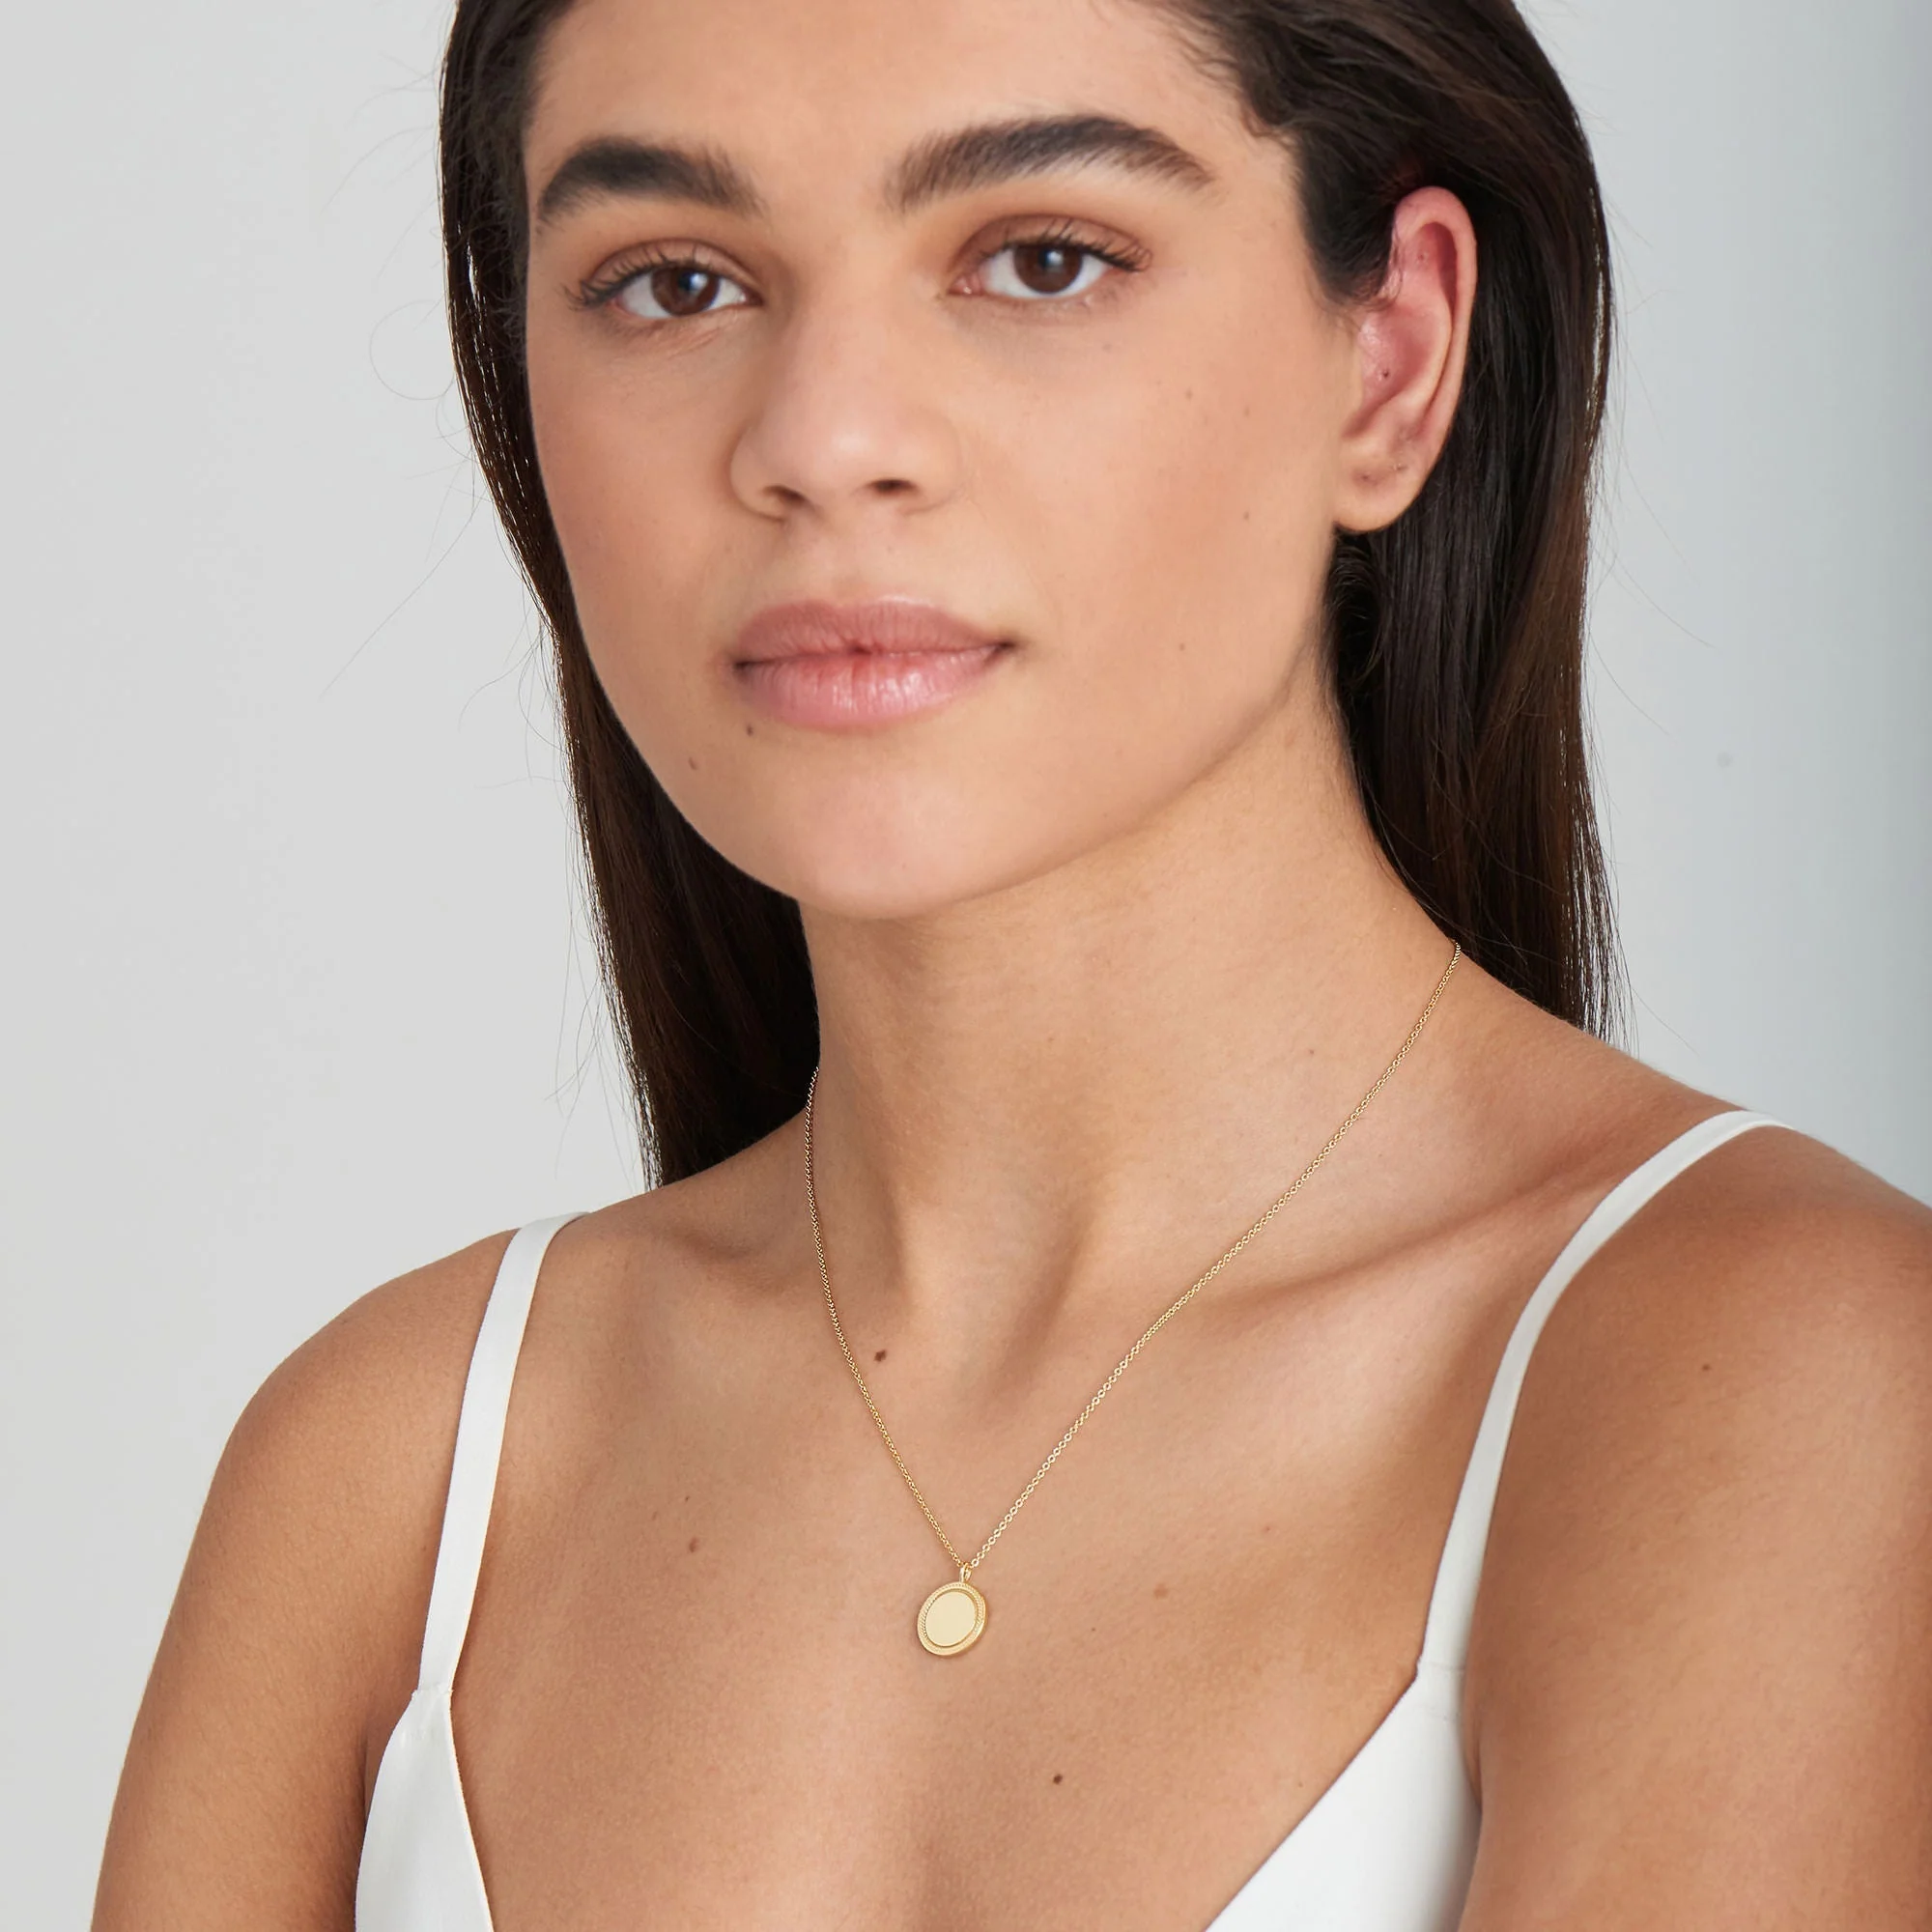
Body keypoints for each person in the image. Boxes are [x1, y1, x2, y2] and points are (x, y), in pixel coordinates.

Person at [94, 0, 1932, 1925]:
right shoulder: (389, 1483)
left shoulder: (1769, 1382)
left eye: (1042, 260)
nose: (824, 444)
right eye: (674, 283)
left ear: (1391, 360)